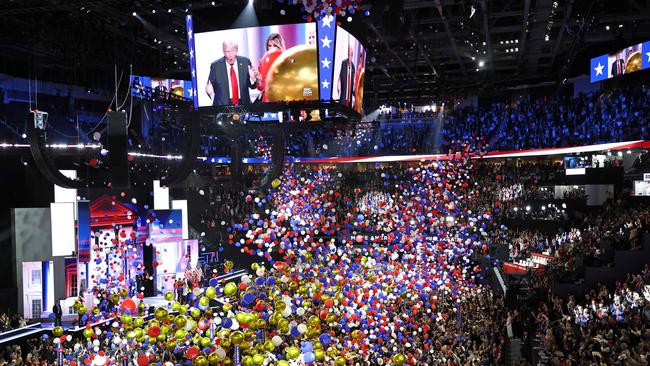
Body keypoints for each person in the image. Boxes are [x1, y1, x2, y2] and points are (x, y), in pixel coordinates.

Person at [205, 40, 261, 106]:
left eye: (232, 51)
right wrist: (210, 92)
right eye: (227, 51)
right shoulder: (216, 66)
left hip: (243, 104)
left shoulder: (245, 62)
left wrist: (253, 79)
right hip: (223, 105)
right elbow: (210, 87)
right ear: (223, 52)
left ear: (236, 51)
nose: (230, 54)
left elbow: (252, 86)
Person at [256, 33, 286, 102]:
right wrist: (257, 79)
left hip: (283, 99)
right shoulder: (262, 62)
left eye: (275, 45)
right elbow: (261, 87)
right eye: (270, 46)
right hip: (268, 100)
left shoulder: (286, 60)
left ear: (280, 46)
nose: (272, 48)